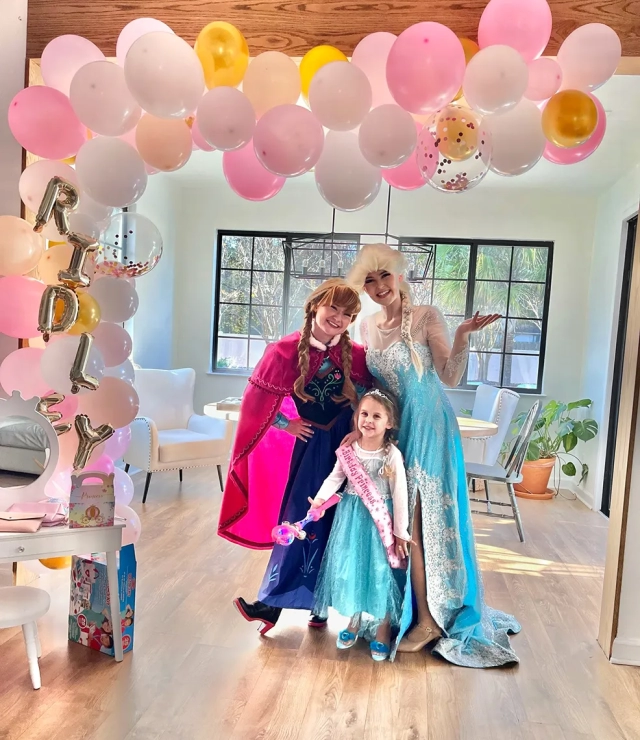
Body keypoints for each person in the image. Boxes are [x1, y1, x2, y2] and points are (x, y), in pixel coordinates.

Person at [346, 243, 520, 667]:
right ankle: (398, 608)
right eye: (369, 280)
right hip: (397, 430)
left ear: (399, 276)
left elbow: (449, 374)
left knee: (422, 523)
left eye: (384, 275)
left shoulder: (426, 316)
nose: (378, 285)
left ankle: (430, 618)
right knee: (398, 523)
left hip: (430, 425)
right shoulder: (367, 326)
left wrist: (461, 336)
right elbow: (376, 387)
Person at [218, 278, 372, 635]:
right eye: (333, 307)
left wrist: (358, 429)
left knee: (339, 523)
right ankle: (272, 605)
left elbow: (372, 398)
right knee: (301, 519)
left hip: (346, 449)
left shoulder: (358, 355)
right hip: (310, 449)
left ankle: (317, 606)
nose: (339, 317)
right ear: (316, 305)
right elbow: (256, 402)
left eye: (348, 314)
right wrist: (287, 423)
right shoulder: (283, 351)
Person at [310, 388, 411, 661]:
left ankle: (383, 627)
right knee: (353, 568)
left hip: (381, 521)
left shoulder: (392, 454)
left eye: (376, 416)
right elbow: (335, 477)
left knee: (381, 572)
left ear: (389, 423)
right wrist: (319, 501)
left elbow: (400, 493)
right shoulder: (348, 450)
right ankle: (354, 620)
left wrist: (400, 532)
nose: (368, 420)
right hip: (352, 517)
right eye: (364, 414)